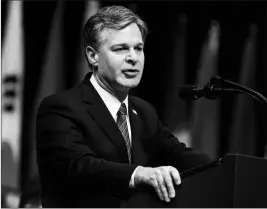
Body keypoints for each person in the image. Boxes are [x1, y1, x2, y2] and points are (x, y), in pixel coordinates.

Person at [36, 5, 210, 208]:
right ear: (93, 56)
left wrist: (228, 166)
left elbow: (178, 154)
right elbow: (79, 166)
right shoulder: (60, 108)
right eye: (121, 49)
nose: (133, 58)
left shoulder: (143, 112)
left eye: (138, 48)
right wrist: (139, 174)